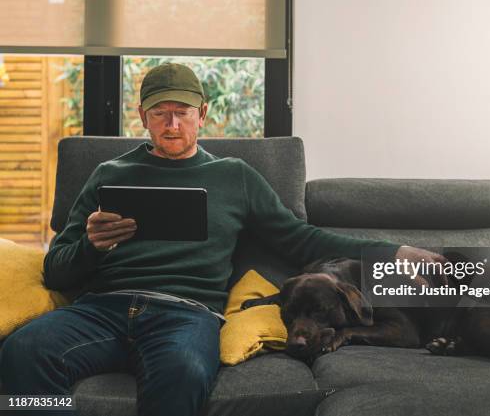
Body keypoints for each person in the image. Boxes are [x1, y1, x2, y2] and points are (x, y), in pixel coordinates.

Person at [0, 63, 444, 416]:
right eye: (159, 113)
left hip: (185, 314)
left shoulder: (234, 176)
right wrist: (91, 246)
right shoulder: (108, 175)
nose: (172, 124)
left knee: (185, 370)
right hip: (103, 309)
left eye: (183, 112)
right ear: (142, 117)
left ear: (203, 113)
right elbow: (55, 269)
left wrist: (395, 252)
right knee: (24, 350)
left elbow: (304, 241)